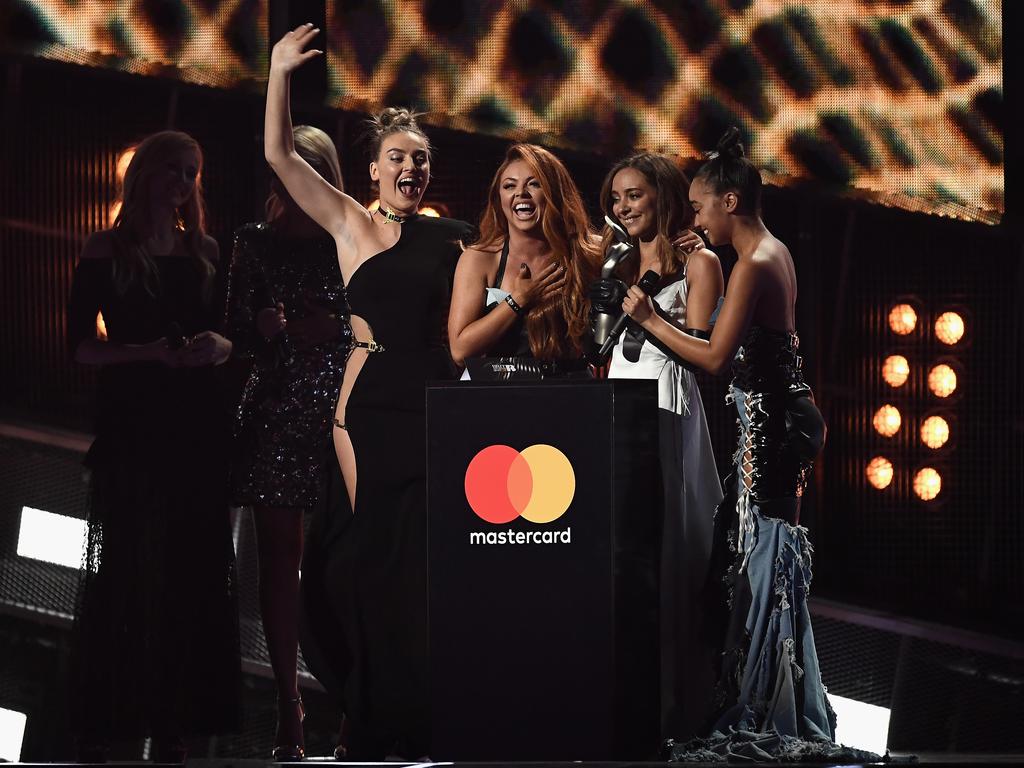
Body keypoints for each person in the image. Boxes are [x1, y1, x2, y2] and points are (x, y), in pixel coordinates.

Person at [264, 23, 473, 760]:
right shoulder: (350, 223)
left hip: (435, 408)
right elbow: (279, 154)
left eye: (420, 159)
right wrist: (281, 72)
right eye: (397, 158)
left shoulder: (455, 235)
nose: (410, 168)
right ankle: (364, 712)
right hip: (366, 410)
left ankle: (407, 718)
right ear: (375, 170)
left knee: (420, 565)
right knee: (365, 560)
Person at [621, 128, 862, 761]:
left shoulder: (753, 266)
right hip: (779, 420)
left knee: (762, 569)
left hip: (772, 429)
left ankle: (765, 706)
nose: (693, 217)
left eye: (699, 207)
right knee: (756, 566)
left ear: (730, 202)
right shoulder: (769, 252)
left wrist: (648, 320)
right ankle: (763, 696)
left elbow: (715, 358)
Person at [66, 130, 240, 762]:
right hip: (135, 431)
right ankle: (117, 724)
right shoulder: (106, 249)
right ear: (143, 173)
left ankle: (174, 729)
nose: (182, 181)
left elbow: (225, 336)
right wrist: (145, 355)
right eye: (172, 168)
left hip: (195, 432)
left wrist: (216, 347)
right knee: (131, 576)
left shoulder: (207, 251)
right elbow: (81, 345)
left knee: (191, 580)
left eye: (191, 172)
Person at [224, 124, 349, 760]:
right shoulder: (254, 244)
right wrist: (262, 327)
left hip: (338, 420)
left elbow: (381, 331)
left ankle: (355, 702)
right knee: (278, 567)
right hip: (273, 414)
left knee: (342, 567)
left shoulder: (350, 241)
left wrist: (337, 328)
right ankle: (287, 705)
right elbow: (234, 336)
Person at [597, 152, 724, 739]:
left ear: (663, 196)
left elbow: (704, 356)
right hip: (616, 418)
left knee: (671, 557)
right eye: (616, 199)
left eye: (634, 196)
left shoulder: (700, 264)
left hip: (668, 412)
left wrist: (649, 318)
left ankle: (672, 712)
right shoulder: (615, 265)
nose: (623, 208)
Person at [448, 143, 600, 376]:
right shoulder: (480, 259)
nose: (521, 193)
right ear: (499, 199)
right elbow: (460, 351)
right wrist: (519, 299)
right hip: (499, 395)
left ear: (555, 193)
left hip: (570, 393)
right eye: (510, 186)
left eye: (534, 184)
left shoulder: (589, 253)